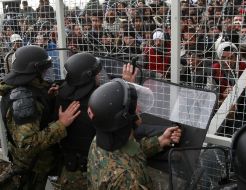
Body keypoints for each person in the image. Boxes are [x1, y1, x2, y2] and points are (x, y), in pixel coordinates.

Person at [0, 45, 80, 190]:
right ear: (34, 72)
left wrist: (46, 98)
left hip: (30, 164)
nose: (45, 74)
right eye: (43, 70)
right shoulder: (24, 99)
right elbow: (28, 145)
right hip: (31, 168)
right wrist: (61, 124)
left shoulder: (22, 87)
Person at [87, 78, 182, 189]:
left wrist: (160, 141)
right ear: (123, 120)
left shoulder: (102, 139)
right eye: (133, 106)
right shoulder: (125, 179)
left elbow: (128, 153)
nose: (138, 108)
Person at [55, 52, 104, 189]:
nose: (99, 76)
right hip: (92, 173)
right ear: (88, 77)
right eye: (97, 73)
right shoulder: (98, 103)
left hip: (67, 171)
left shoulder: (60, 95)